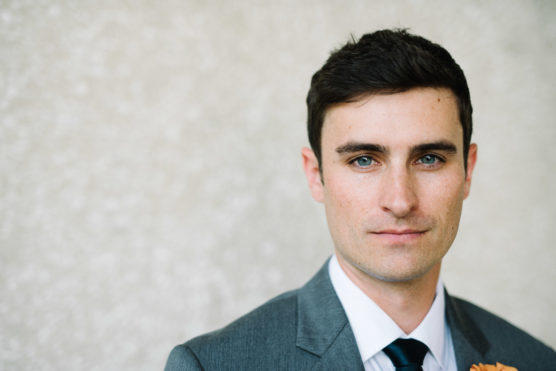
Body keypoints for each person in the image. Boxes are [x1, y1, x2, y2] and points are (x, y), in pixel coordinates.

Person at [164, 29, 555, 370]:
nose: (400, 201)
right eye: (364, 160)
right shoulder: (215, 365)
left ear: (467, 171)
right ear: (315, 175)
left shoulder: (535, 361)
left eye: (429, 158)